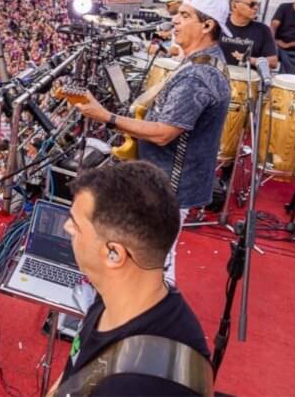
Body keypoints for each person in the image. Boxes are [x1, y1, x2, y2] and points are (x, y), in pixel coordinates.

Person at [74, 0, 231, 286]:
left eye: (185, 16)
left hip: (170, 186)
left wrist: (106, 117)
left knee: (153, 265)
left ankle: (147, 318)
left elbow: (164, 133)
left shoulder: (200, 74)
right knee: (153, 257)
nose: (175, 20)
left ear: (207, 26)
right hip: (169, 180)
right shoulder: (201, 62)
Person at [52, 162, 210, 396]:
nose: (66, 227)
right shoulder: (116, 296)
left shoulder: (136, 386)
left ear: (114, 254)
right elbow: (71, 377)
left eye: (75, 224)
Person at [221, 0, 278, 70]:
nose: (256, 8)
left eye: (257, 4)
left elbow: (273, 62)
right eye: (251, 4)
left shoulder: (263, 30)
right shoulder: (219, 24)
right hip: (218, 75)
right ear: (234, 5)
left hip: (247, 79)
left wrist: (249, 60)